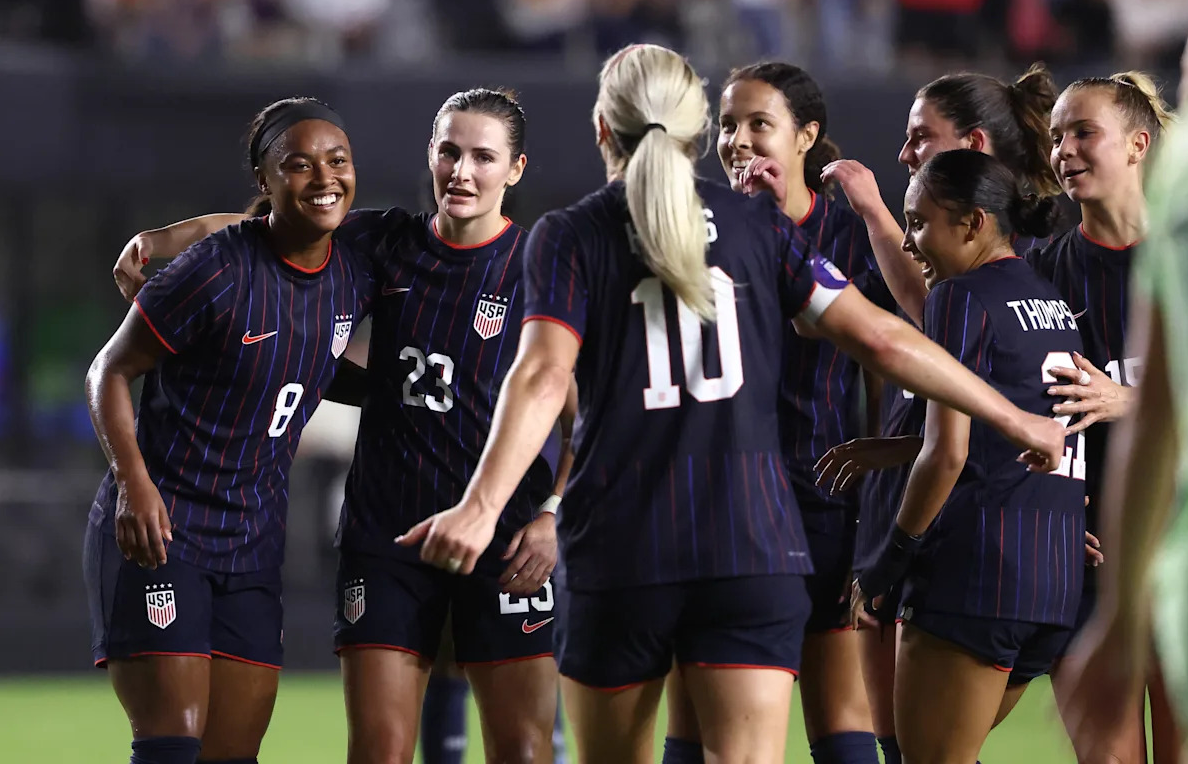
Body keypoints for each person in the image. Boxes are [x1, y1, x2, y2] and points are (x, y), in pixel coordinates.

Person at [397, 43, 1067, 763]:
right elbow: (881, 338)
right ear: (696, 130)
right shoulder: (758, 226)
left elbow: (540, 376)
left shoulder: (570, 235)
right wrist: (1014, 416)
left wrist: (481, 505)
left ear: (601, 127)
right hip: (750, 545)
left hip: (624, 542)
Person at [112, 89, 573, 764]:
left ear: (516, 168)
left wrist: (556, 515)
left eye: (483, 157)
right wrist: (162, 239)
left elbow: (588, 411)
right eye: (449, 152)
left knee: (523, 751)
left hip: (505, 538)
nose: (462, 172)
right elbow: (265, 227)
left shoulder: (543, 270)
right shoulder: (385, 242)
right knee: (378, 751)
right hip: (386, 538)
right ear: (430, 154)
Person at [85, 98, 380, 764]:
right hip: (164, 530)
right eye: (298, 165)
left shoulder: (355, 266)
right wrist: (134, 485)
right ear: (265, 180)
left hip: (252, 545)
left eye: (337, 160)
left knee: (234, 753)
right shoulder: (216, 271)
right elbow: (108, 371)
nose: (323, 177)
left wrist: (404, 397)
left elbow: (309, 356)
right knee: (172, 744)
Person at [816, 63, 1061, 764]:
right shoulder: (1038, 286)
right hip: (1036, 559)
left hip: (967, 552)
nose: (904, 154)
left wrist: (887, 561)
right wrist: (894, 449)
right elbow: (1003, 416)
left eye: (920, 137)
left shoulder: (969, 283)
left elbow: (949, 414)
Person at [661, 61, 891, 764]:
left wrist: (873, 517)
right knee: (696, 716)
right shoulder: (692, 229)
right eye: (727, 124)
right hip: (714, 497)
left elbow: (884, 375)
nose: (737, 140)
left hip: (821, 497)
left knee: (840, 714)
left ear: (806, 135)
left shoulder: (850, 238)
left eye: (759, 123)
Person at [850, 149, 1087, 764]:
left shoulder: (958, 296)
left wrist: (887, 562)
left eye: (918, 223)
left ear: (974, 222)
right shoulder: (1051, 301)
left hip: (977, 578)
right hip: (1052, 581)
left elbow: (947, 451)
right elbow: (1010, 434)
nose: (909, 243)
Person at [1055, 53, 1188, 763]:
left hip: (1179, 552)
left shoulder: (1183, 247)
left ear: (1139, 144)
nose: (1064, 150)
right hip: (1088, 564)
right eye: (1056, 137)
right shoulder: (1042, 272)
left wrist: (1128, 402)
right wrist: (1056, 515)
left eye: (1083, 133)